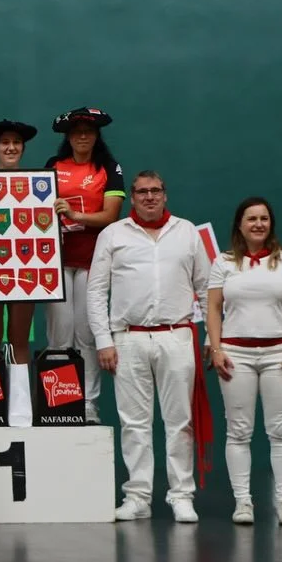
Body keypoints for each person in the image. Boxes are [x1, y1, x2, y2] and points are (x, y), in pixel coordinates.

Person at [86, 170, 211, 523]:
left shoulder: (186, 232)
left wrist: (211, 337)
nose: (150, 197)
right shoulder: (113, 234)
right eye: (142, 192)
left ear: (165, 194)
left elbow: (206, 288)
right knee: (134, 423)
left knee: (180, 422)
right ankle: (138, 496)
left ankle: (181, 495)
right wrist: (104, 340)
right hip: (128, 338)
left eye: (156, 190)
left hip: (177, 335)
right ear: (133, 196)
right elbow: (96, 291)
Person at [206, 197, 282, 526]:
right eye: (251, 218)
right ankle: (243, 503)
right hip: (236, 356)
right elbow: (213, 309)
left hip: (280, 354)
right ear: (240, 224)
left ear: (271, 224)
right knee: (238, 432)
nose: (258, 224)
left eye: (264, 218)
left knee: (280, 431)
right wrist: (217, 350)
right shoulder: (223, 263)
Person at [45, 107, 126, 423]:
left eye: (88, 131)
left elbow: (111, 216)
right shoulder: (53, 166)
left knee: (87, 334)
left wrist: (75, 215)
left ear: (96, 135)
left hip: (93, 262)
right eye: (76, 131)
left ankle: (87, 403)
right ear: (68, 136)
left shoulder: (109, 168)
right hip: (56, 262)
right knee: (60, 334)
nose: (82, 136)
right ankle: (58, 401)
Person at [0, 119, 39, 364]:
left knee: (19, 341)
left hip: (24, 266)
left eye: (17, 142)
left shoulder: (36, 185)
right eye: (4, 142)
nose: (11, 148)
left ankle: (20, 392)